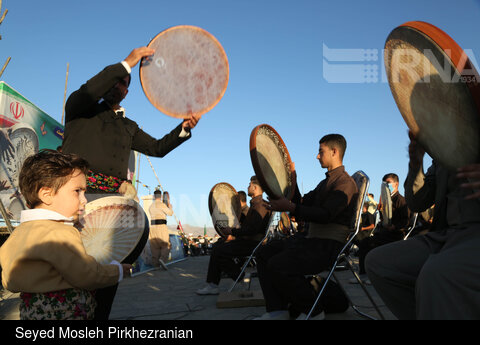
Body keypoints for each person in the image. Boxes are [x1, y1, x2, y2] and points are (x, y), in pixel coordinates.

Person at [61, 47, 201, 319]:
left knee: (107, 278)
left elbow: (158, 148)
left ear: (128, 92)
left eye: (124, 83)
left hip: (114, 209)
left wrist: (184, 128)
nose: (118, 86)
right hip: (74, 199)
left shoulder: (129, 126)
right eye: (115, 80)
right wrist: (128, 63)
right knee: (71, 275)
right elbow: (89, 90)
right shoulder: (80, 109)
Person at [0, 149, 131, 320]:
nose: (84, 199)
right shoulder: (60, 232)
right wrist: (118, 271)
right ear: (46, 194)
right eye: (77, 191)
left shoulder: (18, 234)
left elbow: (8, 280)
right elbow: (87, 274)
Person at [365, 131, 480, 319]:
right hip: (448, 234)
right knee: (379, 264)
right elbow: (417, 202)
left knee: (437, 273)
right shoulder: (445, 151)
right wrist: (416, 164)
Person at [254, 134, 358, 320]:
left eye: (321, 151)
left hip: (328, 244)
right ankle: (278, 310)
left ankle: (313, 311)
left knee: (278, 265)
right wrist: (292, 179)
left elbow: (326, 215)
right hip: (311, 239)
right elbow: (301, 202)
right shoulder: (325, 183)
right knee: (264, 253)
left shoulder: (345, 183)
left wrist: (291, 207)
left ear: (334, 152)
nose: (317, 156)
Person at [196, 176, 271, 295]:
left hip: (252, 244)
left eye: (249, 185)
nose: (248, 187)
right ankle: (215, 284)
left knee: (219, 250)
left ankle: (239, 278)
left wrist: (232, 232)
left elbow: (252, 230)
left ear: (255, 187)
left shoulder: (260, 206)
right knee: (218, 247)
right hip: (248, 241)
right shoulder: (256, 204)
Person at [354, 173, 409, 283]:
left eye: (388, 183)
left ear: (396, 184)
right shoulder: (385, 200)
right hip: (384, 232)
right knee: (364, 242)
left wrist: (394, 227)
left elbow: (406, 221)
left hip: (395, 235)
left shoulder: (401, 200)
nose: (386, 186)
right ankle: (363, 274)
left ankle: (374, 276)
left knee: (370, 244)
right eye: (384, 183)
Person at [149, 190, 174, 266]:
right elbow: (170, 213)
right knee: (166, 244)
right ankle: (162, 259)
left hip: (152, 227)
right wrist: (170, 207)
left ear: (154, 196)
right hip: (161, 226)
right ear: (161, 196)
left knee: (154, 246)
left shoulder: (151, 206)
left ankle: (155, 264)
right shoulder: (162, 205)